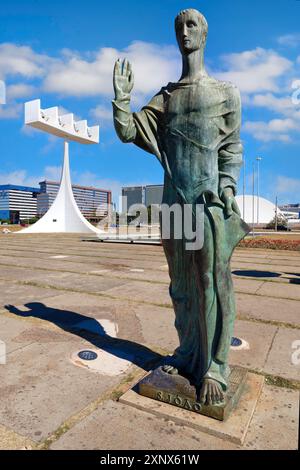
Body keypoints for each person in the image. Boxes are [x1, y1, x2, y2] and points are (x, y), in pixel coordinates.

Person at [112, 8, 249, 406]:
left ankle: (215, 366)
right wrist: (122, 98)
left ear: (204, 35)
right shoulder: (167, 96)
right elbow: (128, 131)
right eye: (179, 27)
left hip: (206, 201)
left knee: (213, 282)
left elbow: (233, 148)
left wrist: (227, 185)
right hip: (175, 203)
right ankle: (189, 352)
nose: (184, 33)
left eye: (192, 26)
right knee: (181, 287)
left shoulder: (226, 92)